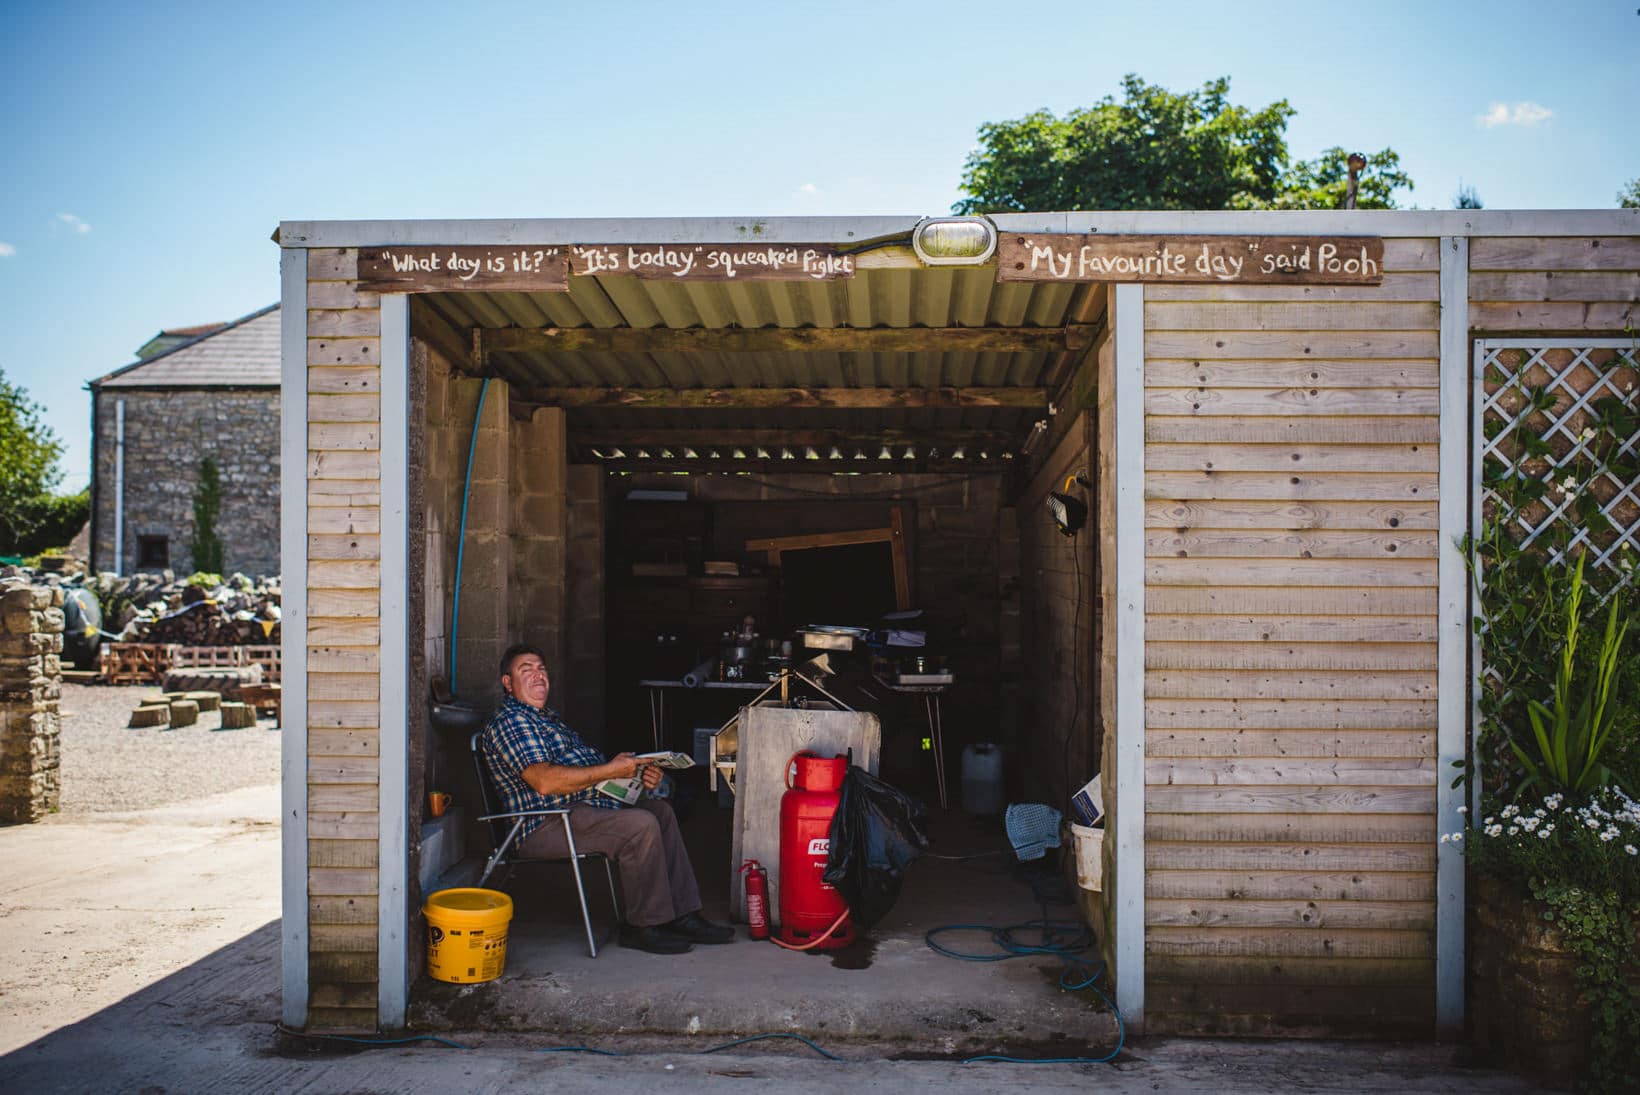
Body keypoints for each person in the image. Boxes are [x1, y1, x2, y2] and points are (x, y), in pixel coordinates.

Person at [480, 643, 735, 955]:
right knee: (639, 825)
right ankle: (644, 925)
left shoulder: (547, 719)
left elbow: (588, 776)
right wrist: (610, 769)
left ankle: (683, 914)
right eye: (526, 670)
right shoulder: (512, 720)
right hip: (543, 822)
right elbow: (544, 781)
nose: (538, 675)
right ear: (508, 683)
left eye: (541, 669)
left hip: (579, 810)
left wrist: (634, 775)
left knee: (660, 811)